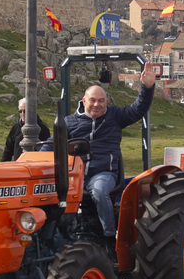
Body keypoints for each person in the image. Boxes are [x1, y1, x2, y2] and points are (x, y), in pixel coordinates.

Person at [45, 62, 158, 239]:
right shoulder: (69, 122)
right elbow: (51, 146)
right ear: (84, 101)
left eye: (101, 101)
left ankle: (109, 237)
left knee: (98, 190)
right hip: (75, 176)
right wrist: (27, 159)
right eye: (93, 100)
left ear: (106, 102)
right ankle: (59, 236)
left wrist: (147, 87)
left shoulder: (115, 117)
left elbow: (139, 108)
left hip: (103, 174)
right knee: (49, 191)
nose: (97, 104)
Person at [2, 97, 50, 162]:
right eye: (20, 111)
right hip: (18, 166)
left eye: (25, 111)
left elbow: (47, 152)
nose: (22, 114)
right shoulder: (15, 128)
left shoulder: (43, 129)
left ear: (33, 111)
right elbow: (8, 151)